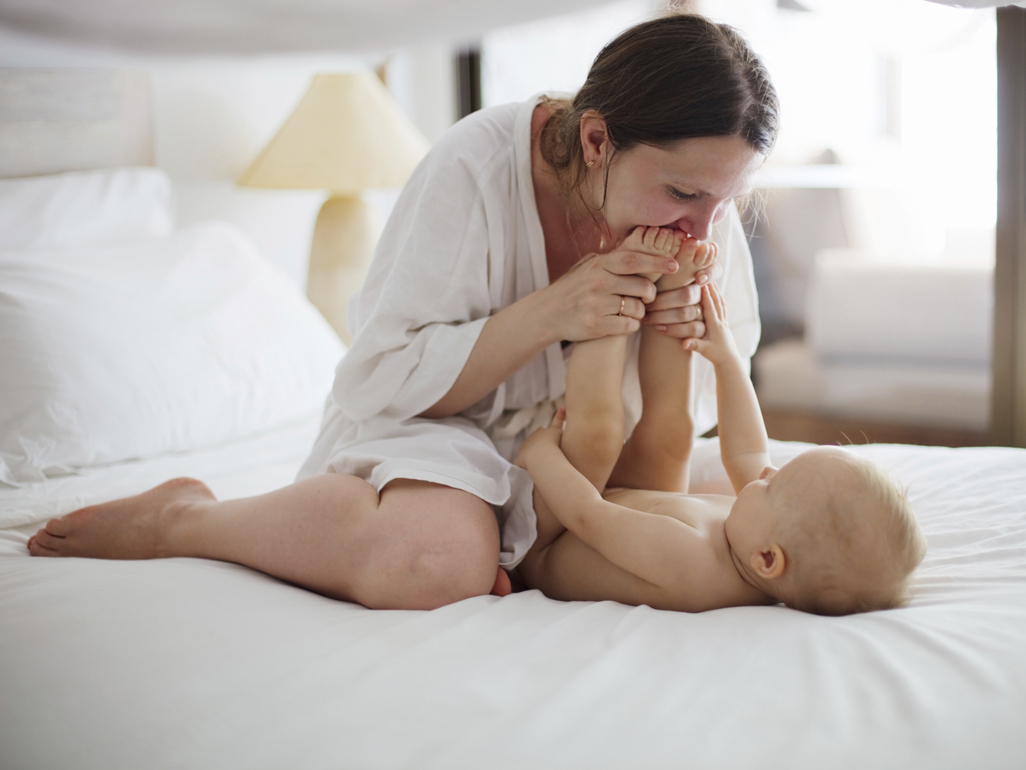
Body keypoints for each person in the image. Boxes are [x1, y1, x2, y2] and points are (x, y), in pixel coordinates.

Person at [26, 13, 779, 611]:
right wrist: (554, 312)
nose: (705, 230)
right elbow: (378, 382)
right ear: (594, 140)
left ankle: (509, 536)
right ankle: (185, 519)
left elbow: (696, 416)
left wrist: (671, 335)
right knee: (429, 563)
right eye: (683, 195)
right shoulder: (473, 169)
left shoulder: (695, 220)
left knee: (794, 520)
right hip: (443, 433)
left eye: (727, 201)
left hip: (592, 457)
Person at [516, 226, 927, 615]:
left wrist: (541, 453)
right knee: (674, 437)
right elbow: (749, 449)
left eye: (770, 484)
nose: (765, 472)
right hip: (619, 506)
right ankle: (671, 287)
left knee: (599, 439)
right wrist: (727, 358)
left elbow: (586, 512)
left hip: (548, 540)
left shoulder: (690, 560)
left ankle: (617, 289)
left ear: (769, 559)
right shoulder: (762, 534)